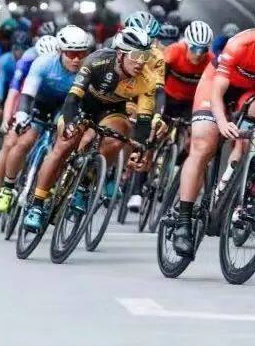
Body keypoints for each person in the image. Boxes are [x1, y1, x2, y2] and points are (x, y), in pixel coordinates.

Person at [171, 6, 255, 257]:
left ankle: (248, 170)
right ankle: (183, 221)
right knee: (204, 145)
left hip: (251, 89)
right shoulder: (238, 45)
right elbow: (217, 94)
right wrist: (222, 122)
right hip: (216, 86)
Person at [21, 28, 159, 233]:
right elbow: (72, 99)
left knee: (117, 139)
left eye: (145, 56)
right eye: (136, 55)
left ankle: (84, 186)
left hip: (112, 110)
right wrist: (70, 123)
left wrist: (140, 147)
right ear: (120, 54)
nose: (140, 62)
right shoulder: (97, 60)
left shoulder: (147, 79)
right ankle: (37, 204)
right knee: (64, 144)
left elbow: (144, 122)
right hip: (82, 104)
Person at [0, 26, 91, 215]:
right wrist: (22, 115)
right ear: (60, 51)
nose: (76, 59)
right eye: (71, 54)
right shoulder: (44, 63)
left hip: (65, 108)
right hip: (40, 103)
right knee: (24, 141)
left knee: (63, 146)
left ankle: (48, 188)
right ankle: (8, 187)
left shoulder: (88, 68)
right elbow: (27, 94)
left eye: (81, 54)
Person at [126, 20, 214, 212]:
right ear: (186, 44)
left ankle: (176, 164)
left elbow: (212, 90)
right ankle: (136, 191)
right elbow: (155, 79)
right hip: (167, 98)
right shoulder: (174, 52)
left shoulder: (210, 60)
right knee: (152, 138)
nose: (198, 54)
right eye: (194, 48)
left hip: (191, 103)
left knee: (198, 138)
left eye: (203, 49)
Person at [0, 33, 62, 213]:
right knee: (10, 142)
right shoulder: (28, 59)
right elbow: (14, 92)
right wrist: (7, 118)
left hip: (56, 101)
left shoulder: (63, 63)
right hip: (30, 98)